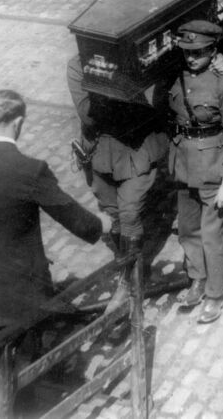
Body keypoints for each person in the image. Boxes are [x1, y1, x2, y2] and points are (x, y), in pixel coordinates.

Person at [0, 89, 111, 406]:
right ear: (18, 123)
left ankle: (0, 409)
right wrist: (102, 226)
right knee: (26, 363)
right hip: (21, 289)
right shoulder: (30, 170)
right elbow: (69, 214)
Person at [67, 56, 168, 310]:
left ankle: (132, 282)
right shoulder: (77, 65)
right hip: (100, 151)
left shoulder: (130, 57)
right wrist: (110, 84)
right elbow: (87, 115)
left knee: (129, 213)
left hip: (136, 148)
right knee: (113, 215)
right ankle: (126, 264)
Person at [168, 20, 223, 324]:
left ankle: (215, 294)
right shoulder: (178, 74)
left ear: (213, 50)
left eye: (198, 52)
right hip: (183, 164)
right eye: (187, 52)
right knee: (188, 229)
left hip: (212, 164)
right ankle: (197, 279)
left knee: (213, 235)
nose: (191, 58)